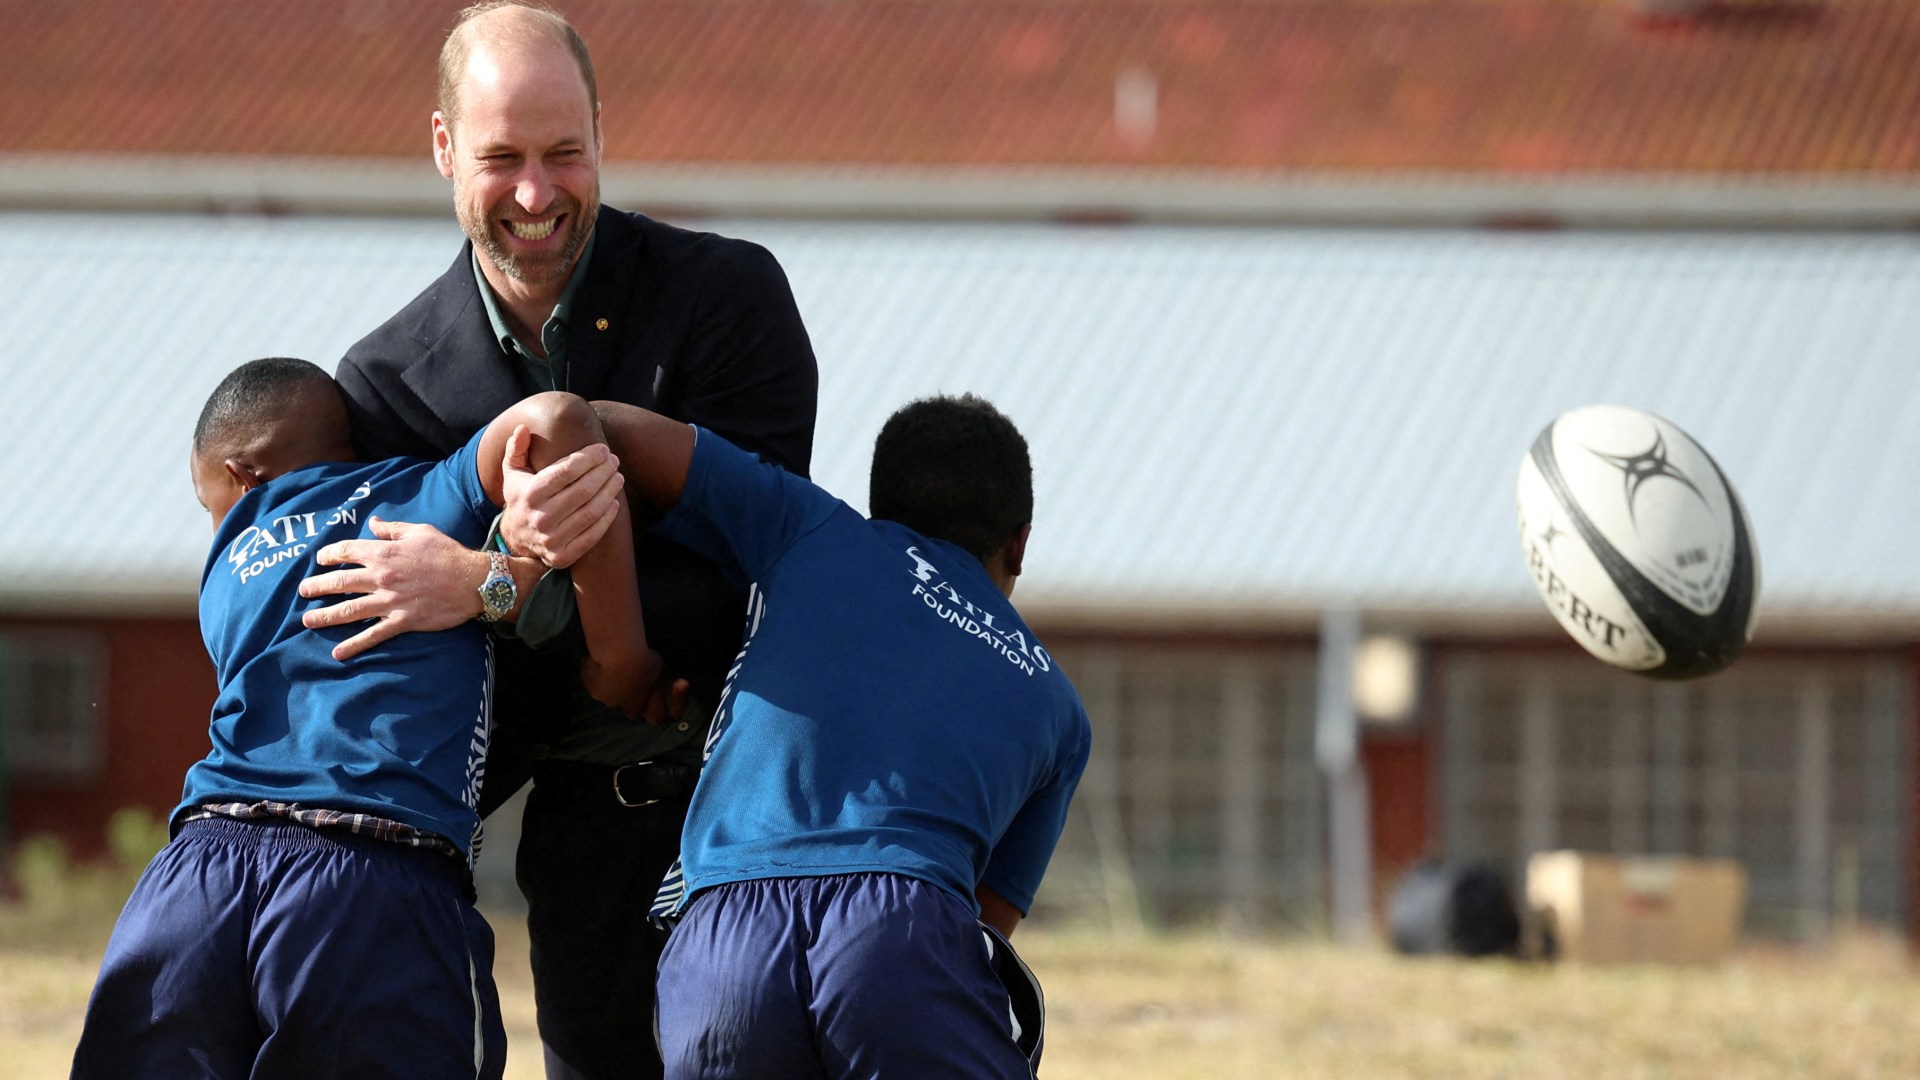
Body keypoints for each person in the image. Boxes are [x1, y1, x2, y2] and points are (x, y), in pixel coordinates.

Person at [298, 3, 819, 1076]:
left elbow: (745, 584)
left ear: (600, 132)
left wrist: (499, 581)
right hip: (584, 841)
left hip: (760, 826)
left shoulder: (730, 298)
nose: (537, 195)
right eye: (502, 158)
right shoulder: (383, 386)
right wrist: (554, 591)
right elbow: (416, 666)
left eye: (564, 154)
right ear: (443, 146)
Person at [71, 359, 653, 1078]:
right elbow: (557, 416)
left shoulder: (230, 560)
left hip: (195, 874)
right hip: (370, 878)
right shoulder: (424, 497)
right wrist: (618, 652)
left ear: (242, 476)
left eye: (208, 502)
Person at [525, 393, 1090, 1078]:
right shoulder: (1056, 703)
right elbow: (981, 927)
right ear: (1020, 543)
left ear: (878, 502)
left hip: (722, 938)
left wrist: (618, 650)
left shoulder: (811, 525)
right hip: (901, 927)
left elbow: (585, 420)